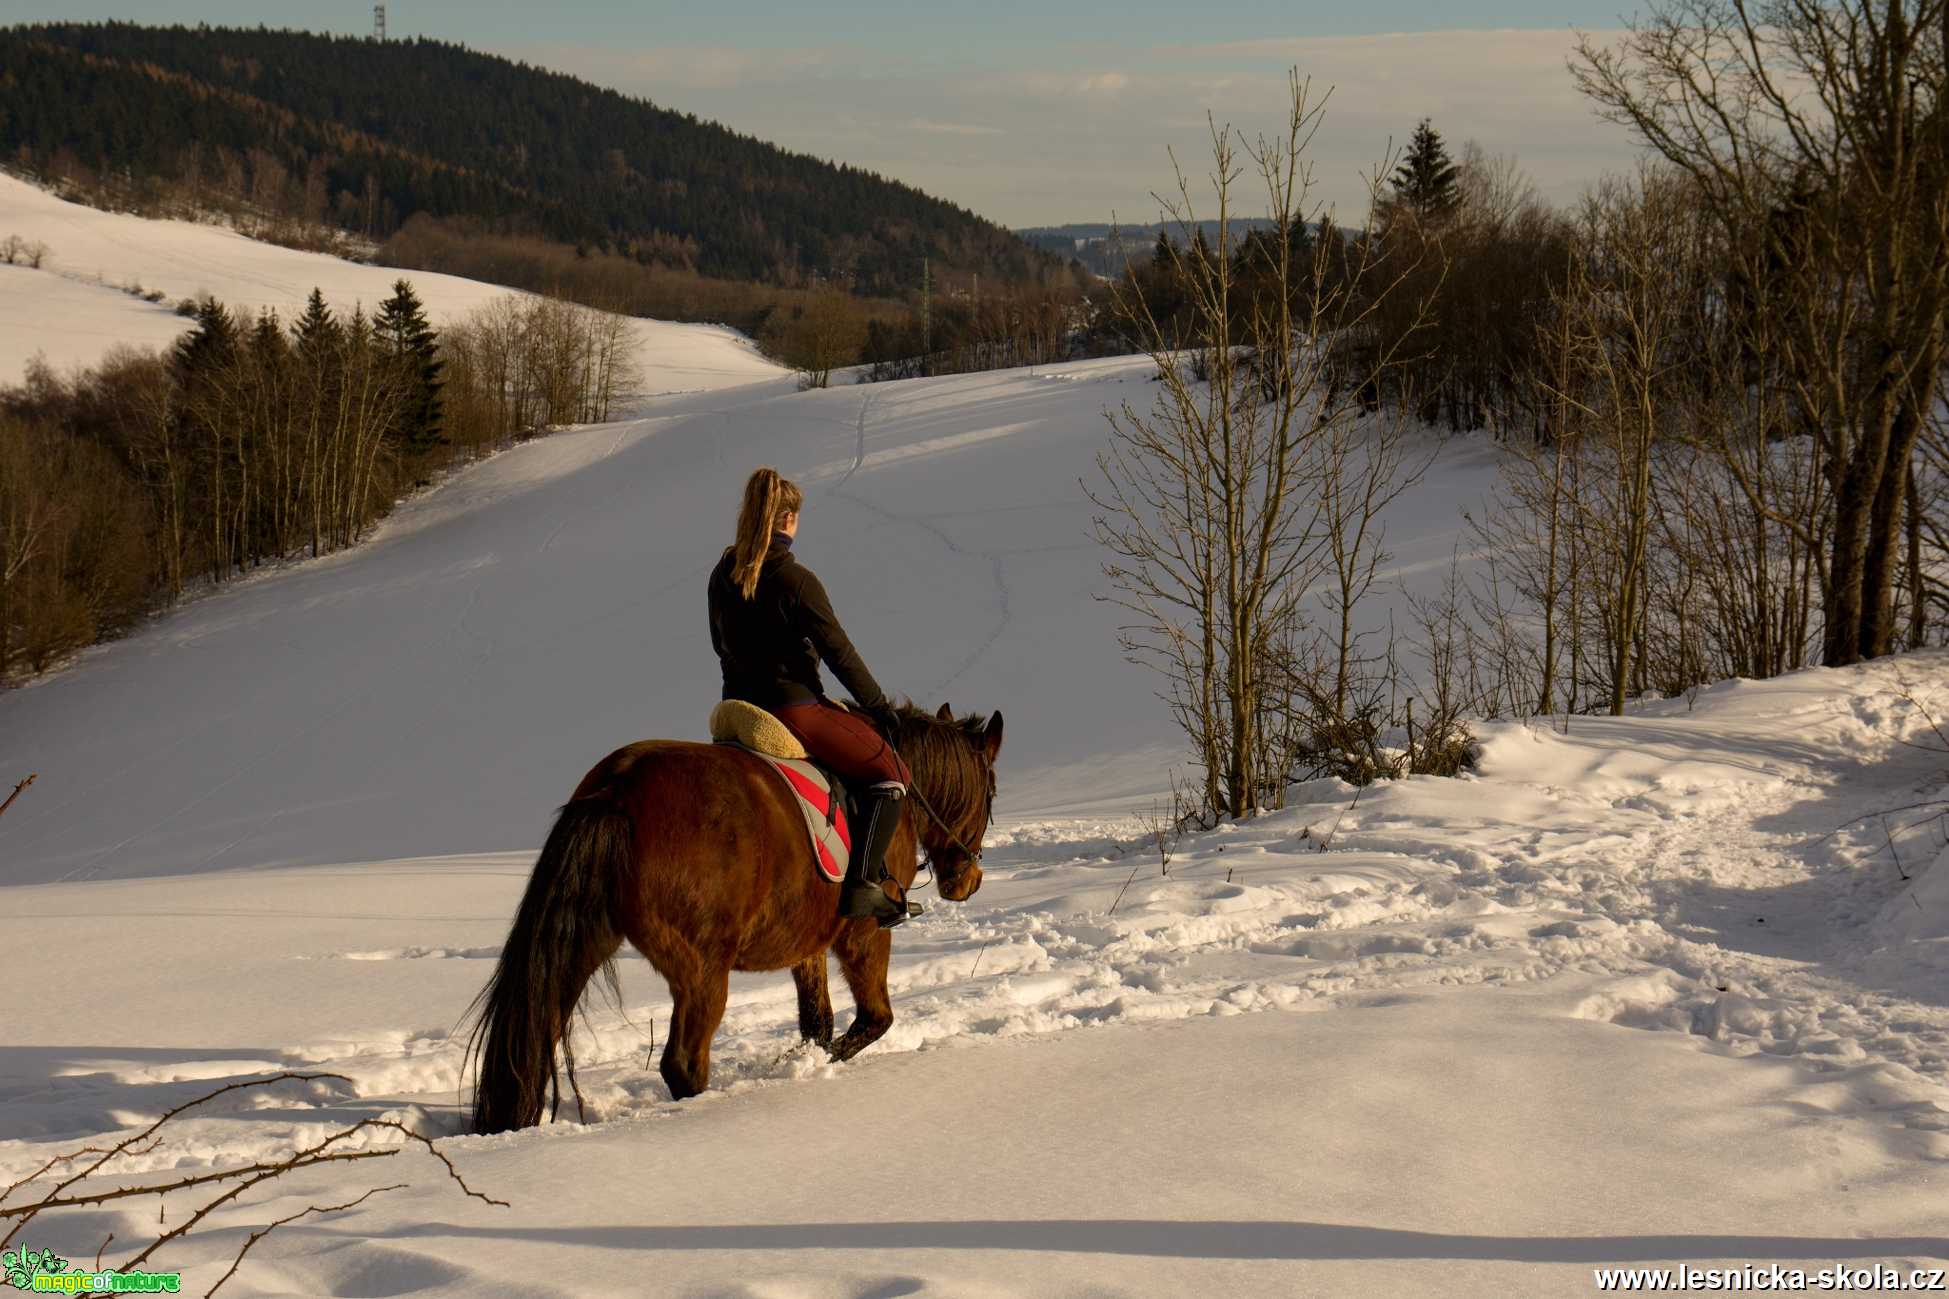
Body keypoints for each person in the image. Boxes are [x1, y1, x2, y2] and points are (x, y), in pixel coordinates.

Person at [708, 467, 914, 927]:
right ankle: (862, 885)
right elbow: (838, 651)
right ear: (788, 520)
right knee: (891, 774)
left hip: (739, 708)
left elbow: (719, 645)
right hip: (793, 708)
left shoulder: (722, 574)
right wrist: (879, 708)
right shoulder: (796, 580)